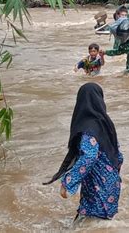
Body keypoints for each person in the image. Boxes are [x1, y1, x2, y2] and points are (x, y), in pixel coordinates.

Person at [43, 83, 123, 220]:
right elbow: (118, 155)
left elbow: (89, 157)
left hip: (99, 187)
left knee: (90, 222)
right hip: (111, 184)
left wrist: (67, 182)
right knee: (102, 222)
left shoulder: (88, 129)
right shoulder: (104, 123)